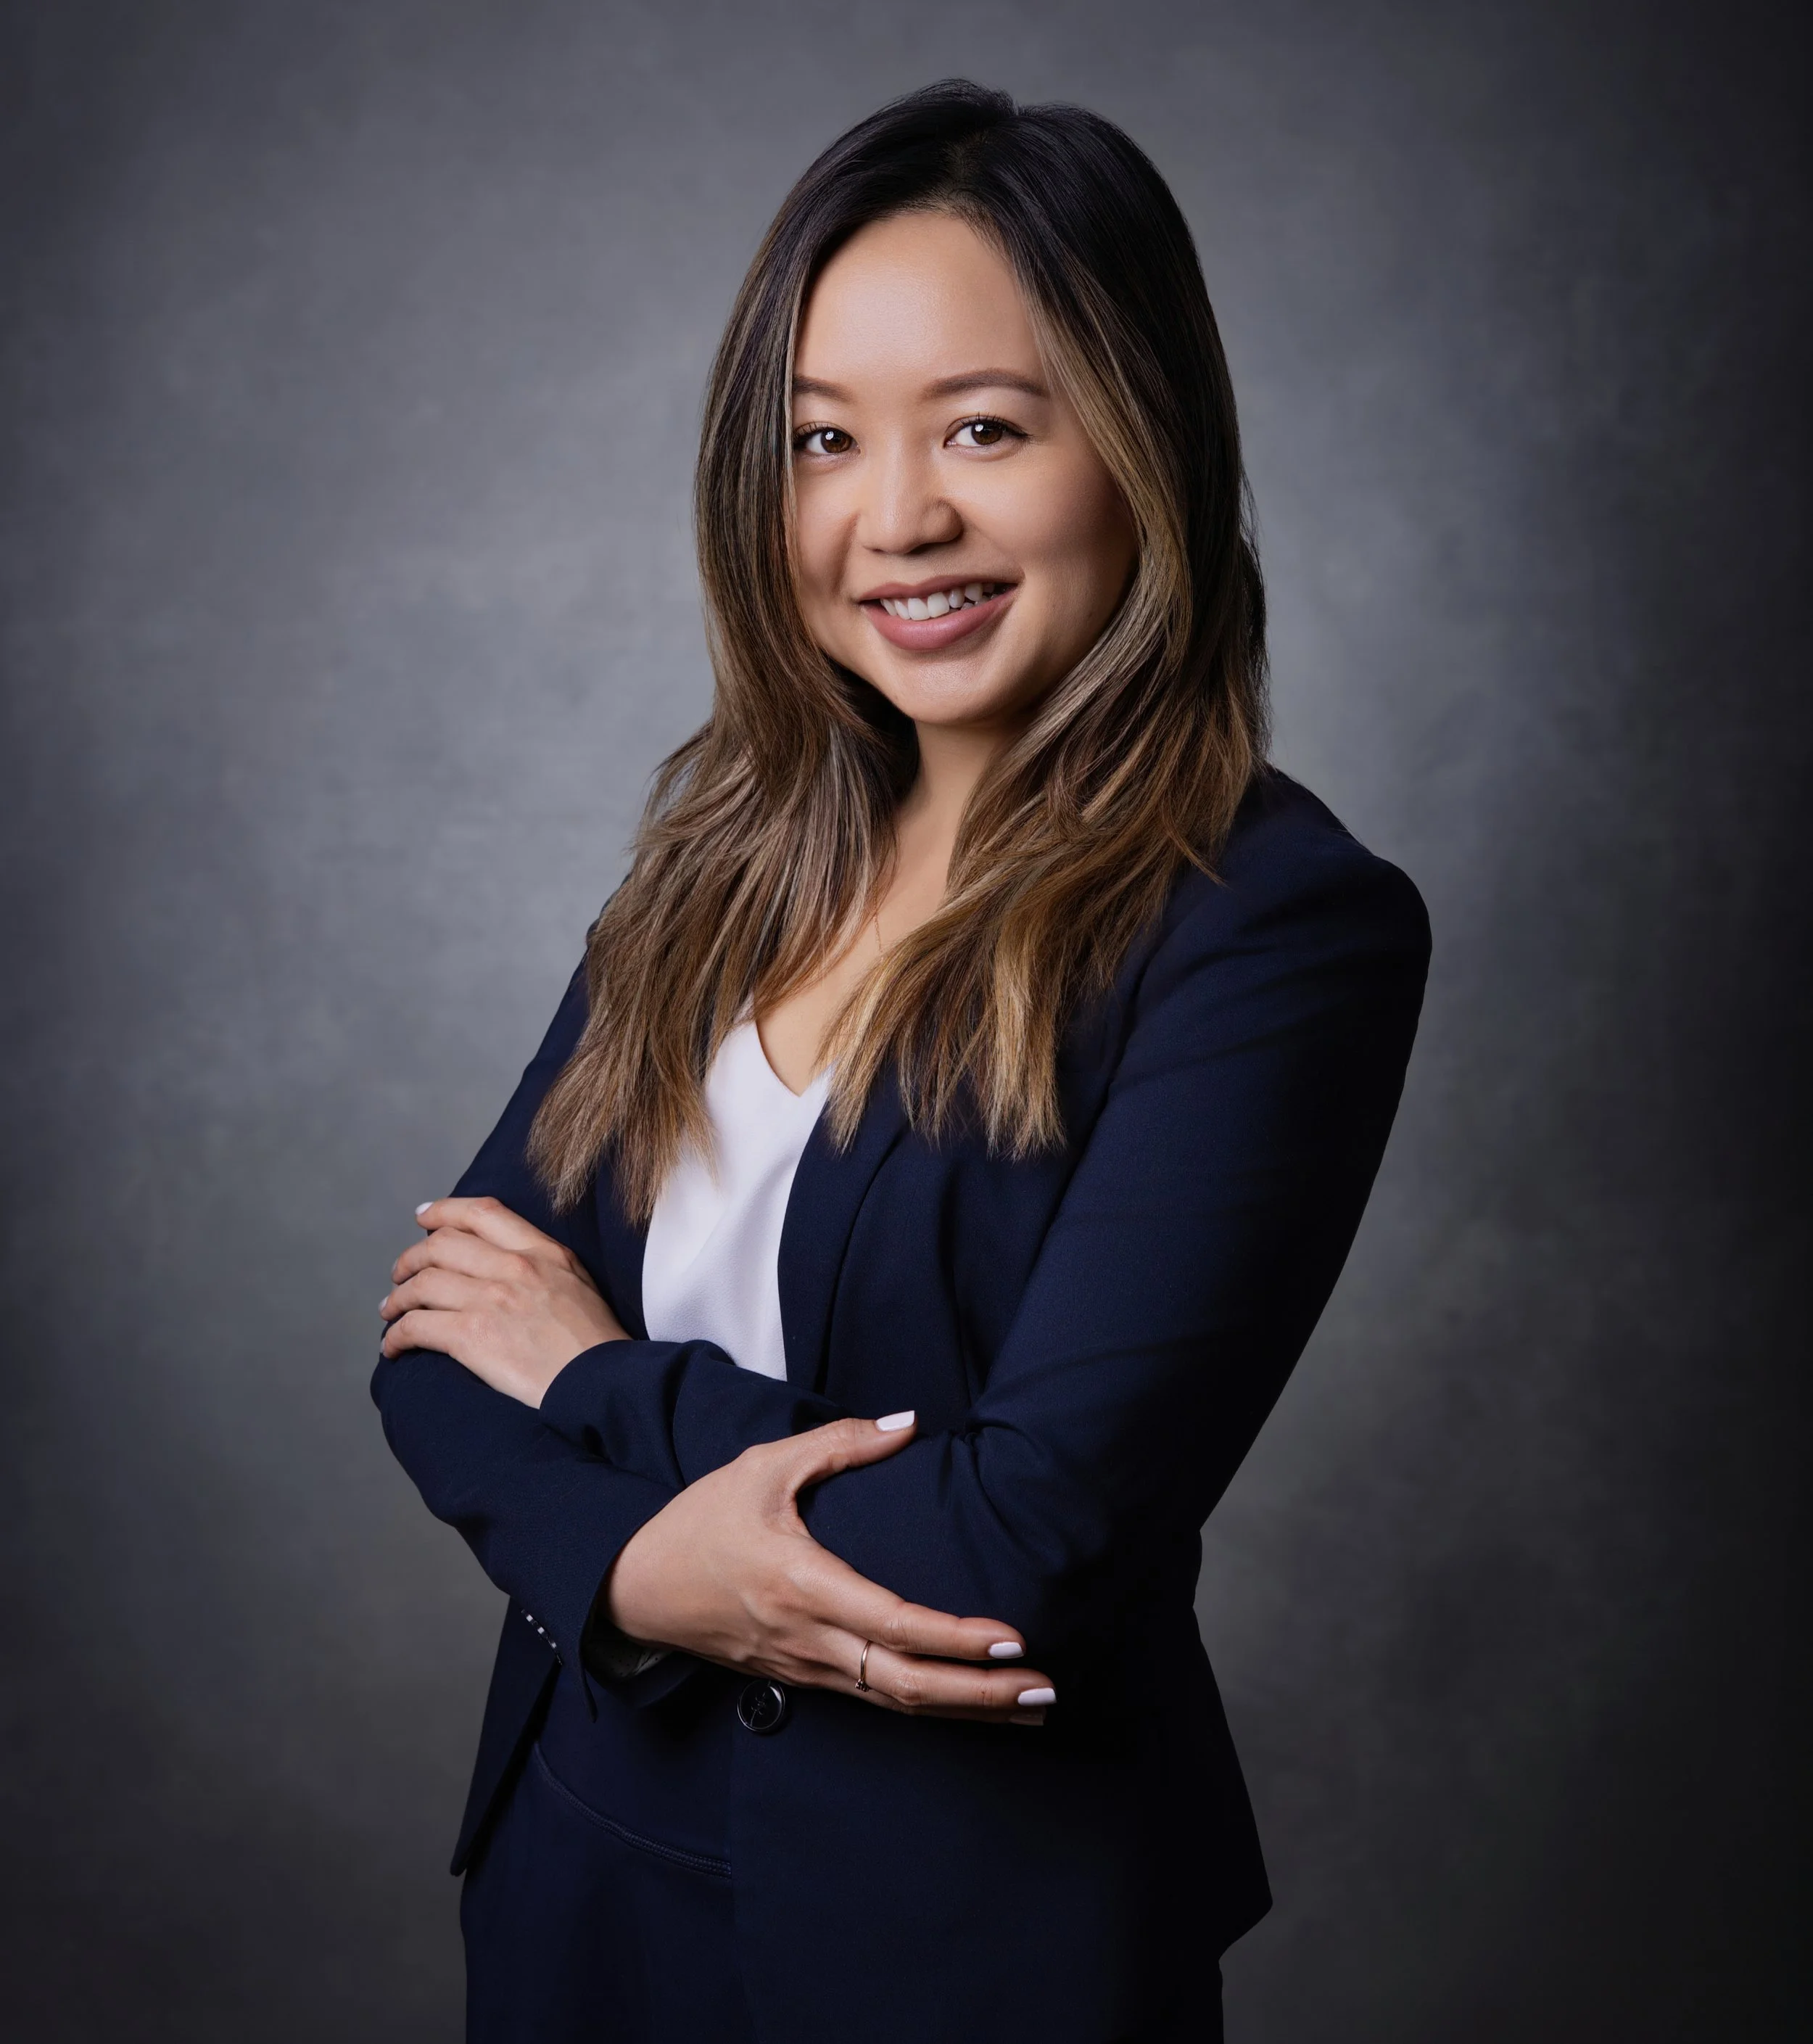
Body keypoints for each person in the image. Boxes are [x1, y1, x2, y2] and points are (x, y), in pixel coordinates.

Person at [373, 78, 1429, 2044]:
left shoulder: (1268, 925)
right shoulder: (724, 854)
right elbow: (443, 1333)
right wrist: (635, 1582)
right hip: (579, 1880)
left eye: (983, 428)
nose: (896, 518)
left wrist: (595, 1387)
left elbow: (1021, 1544)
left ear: (1142, 443)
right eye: (819, 443)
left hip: (962, 1943)